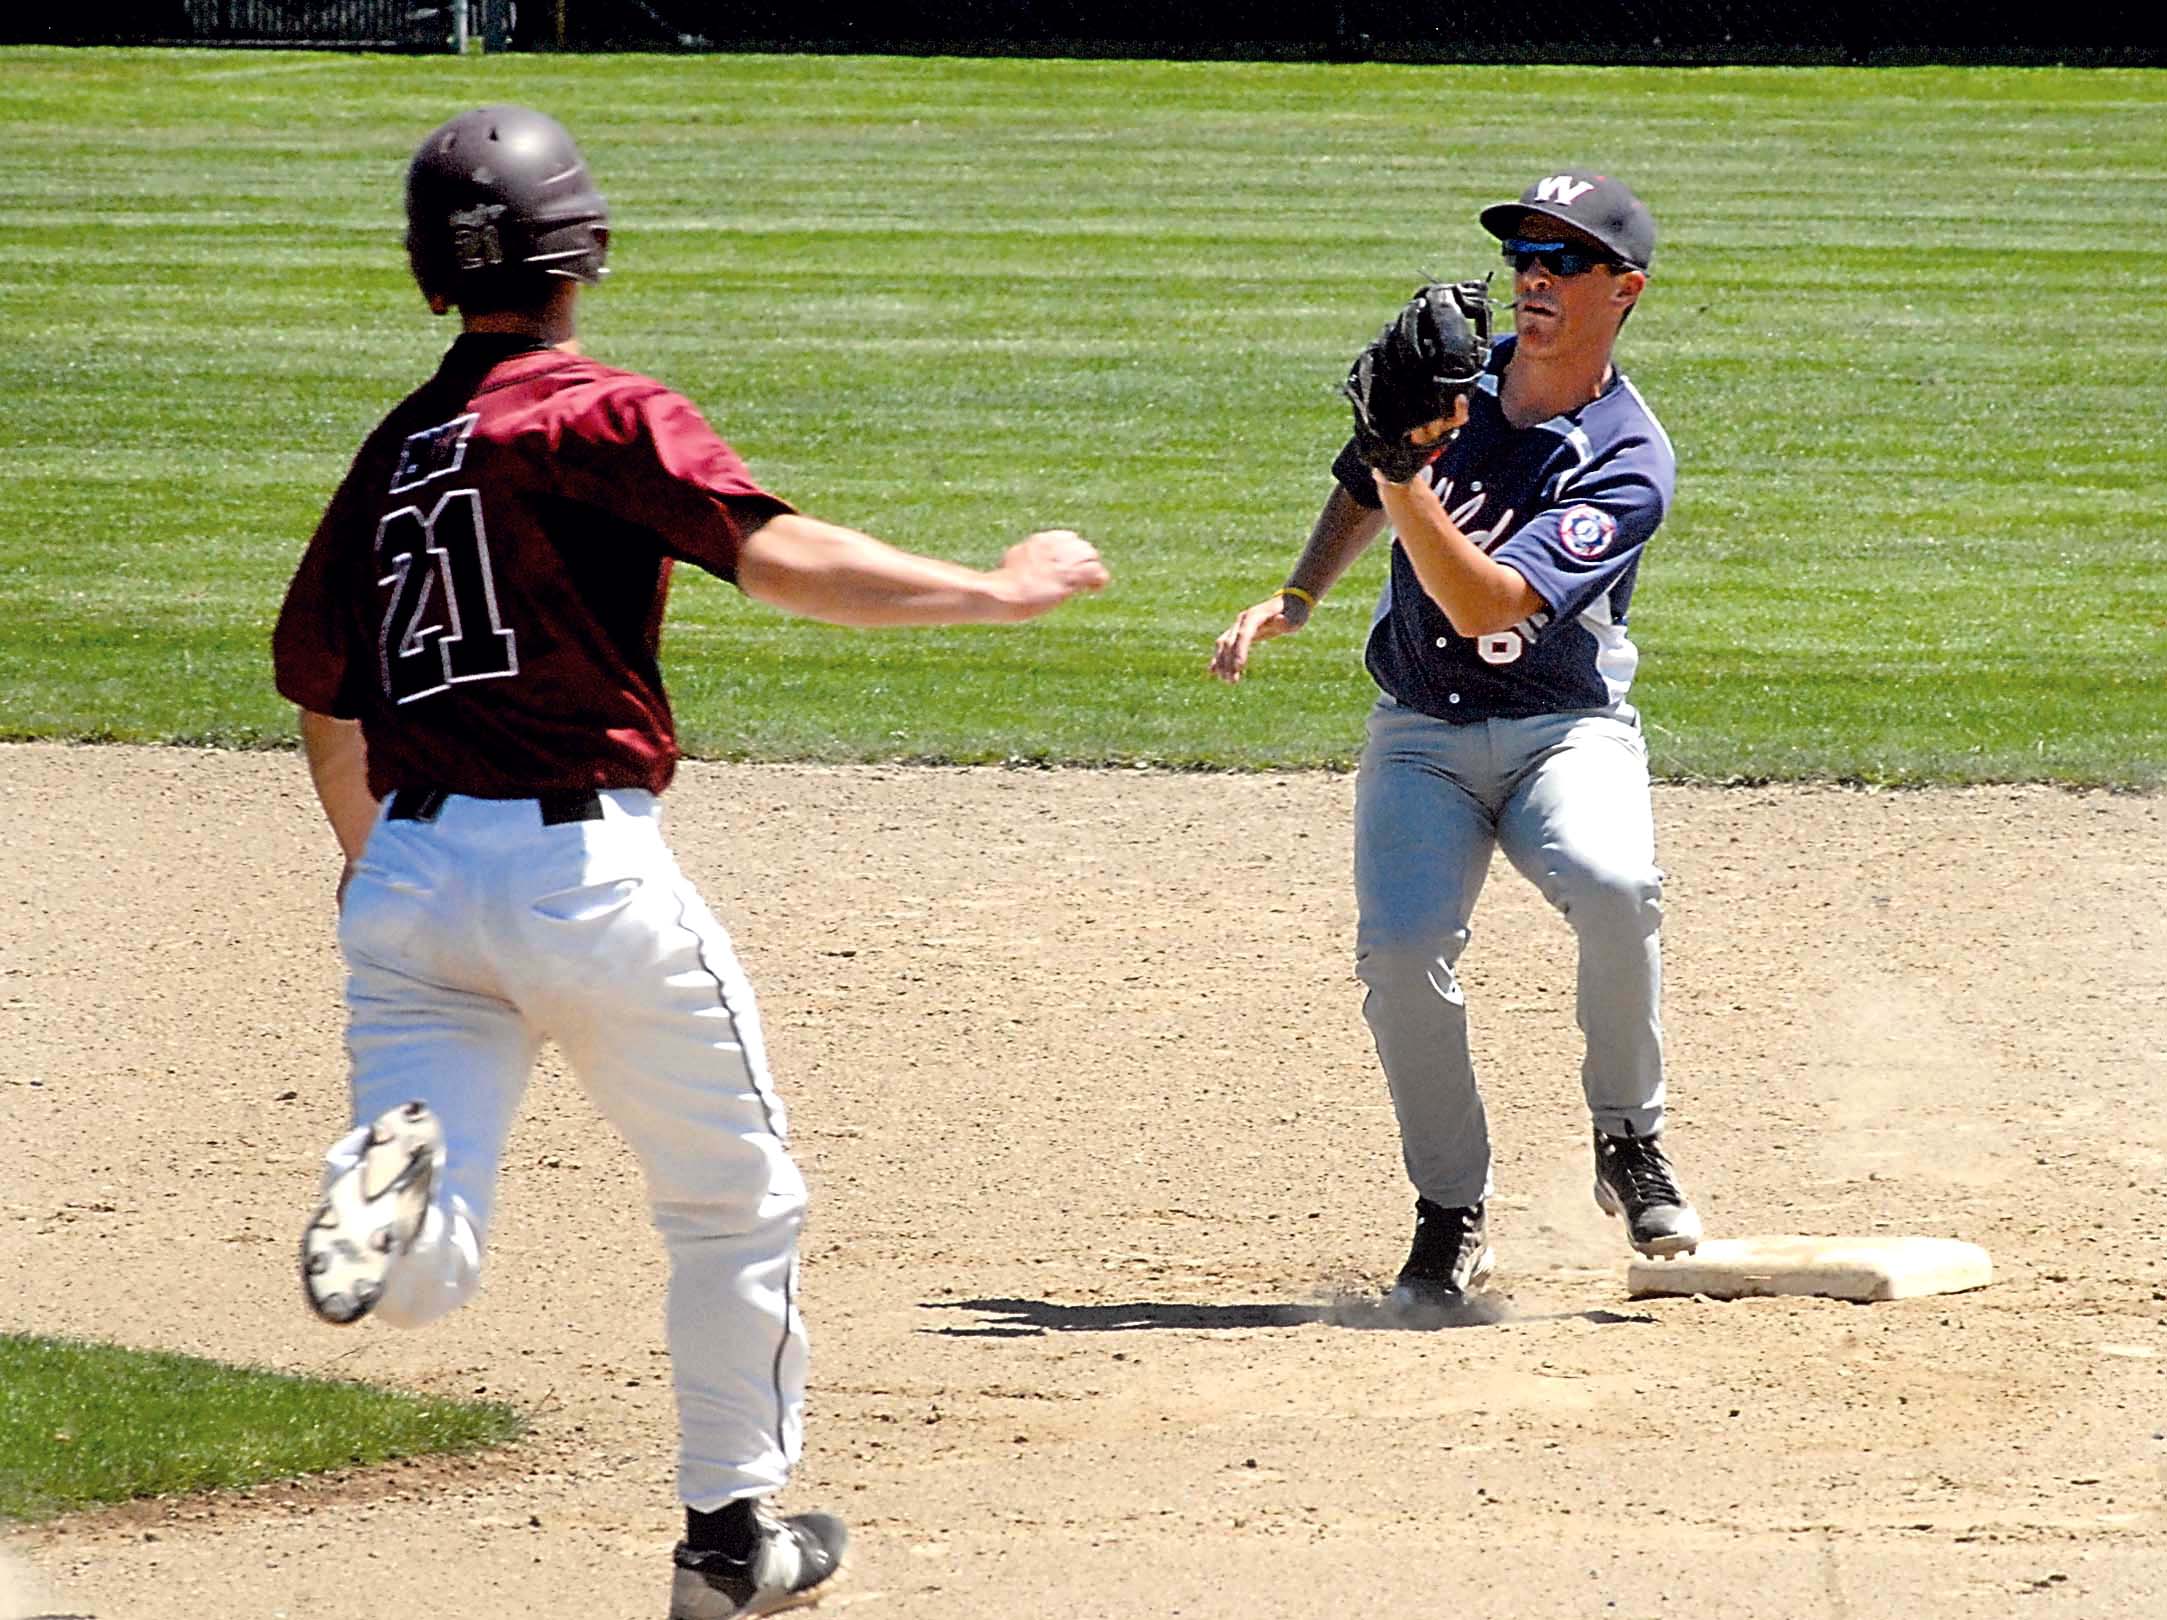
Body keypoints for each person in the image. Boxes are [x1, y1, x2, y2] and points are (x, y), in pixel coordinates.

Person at [272, 105, 1107, 1620]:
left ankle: (378, 1209)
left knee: (431, 1258)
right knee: (734, 1199)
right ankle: (728, 1548)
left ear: (430, 274)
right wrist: (994, 589)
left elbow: (325, 691)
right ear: (580, 249)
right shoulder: (591, 412)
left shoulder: (393, 452)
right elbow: (777, 555)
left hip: (405, 883)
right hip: (582, 881)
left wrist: (370, 866)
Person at [1209, 171, 1699, 1313]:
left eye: (1565, 259)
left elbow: (1485, 606)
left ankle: (1628, 1139)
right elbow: (1358, 490)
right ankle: (1451, 1214)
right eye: (1525, 253)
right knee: (1398, 953)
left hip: (1559, 735)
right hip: (1420, 735)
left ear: (1621, 291)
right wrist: (1300, 594)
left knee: (1616, 884)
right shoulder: (1450, 389)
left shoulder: (1626, 456)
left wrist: (1402, 470)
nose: (1535, 275)